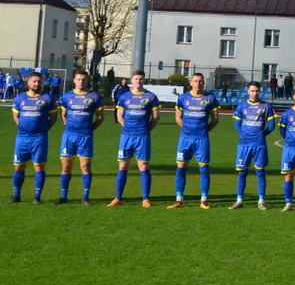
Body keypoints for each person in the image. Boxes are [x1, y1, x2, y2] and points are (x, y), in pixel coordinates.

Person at [109, 70, 160, 208]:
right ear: (132, 80)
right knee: (123, 165)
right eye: (136, 78)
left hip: (142, 137)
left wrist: (147, 130)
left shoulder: (151, 97)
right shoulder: (124, 97)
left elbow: (155, 117)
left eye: (141, 79)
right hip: (126, 136)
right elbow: (119, 116)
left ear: (144, 80)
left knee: (143, 166)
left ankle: (145, 199)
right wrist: (127, 128)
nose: (139, 81)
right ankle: (118, 198)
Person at [169, 73, 220, 209]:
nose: (198, 84)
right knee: (181, 168)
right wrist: (187, 129)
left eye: (200, 81)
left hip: (202, 139)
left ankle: (204, 200)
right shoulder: (183, 98)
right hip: (185, 139)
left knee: (203, 168)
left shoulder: (210, 98)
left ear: (203, 83)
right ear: (190, 83)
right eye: (196, 81)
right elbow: (178, 118)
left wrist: (204, 131)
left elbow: (215, 119)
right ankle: (179, 199)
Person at [56, 70, 104, 205]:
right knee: (66, 167)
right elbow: (63, 114)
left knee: (86, 166)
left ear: (87, 80)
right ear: (74, 80)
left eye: (84, 79)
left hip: (85, 136)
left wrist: (90, 129)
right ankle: (63, 196)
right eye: (79, 79)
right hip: (69, 136)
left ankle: (85, 197)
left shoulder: (94, 96)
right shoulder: (66, 96)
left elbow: (100, 117)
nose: (81, 82)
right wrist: (67, 125)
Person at [10, 71, 58, 203]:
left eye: (39, 81)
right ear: (28, 82)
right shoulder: (20, 98)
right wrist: (21, 125)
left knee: (39, 167)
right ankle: (16, 195)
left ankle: (37, 197)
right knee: (19, 166)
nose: (37, 83)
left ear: (42, 82)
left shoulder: (47, 98)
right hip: (22, 138)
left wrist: (43, 129)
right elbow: (16, 115)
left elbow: (54, 117)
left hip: (39, 138)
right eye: (34, 81)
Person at [231, 82, 278, 210]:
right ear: (248, 91)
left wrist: (261, 135)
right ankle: (239, 200)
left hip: (259, 144)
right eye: (252, 91)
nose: (254, 93)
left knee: (260, 172)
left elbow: (272, 126)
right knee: (242, 173)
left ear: (260, 91)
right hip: (244, 144)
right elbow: (236, 125)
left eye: (257, 91)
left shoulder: (266, 106)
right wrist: (246, 135)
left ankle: (261, 201)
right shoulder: (241, 107)